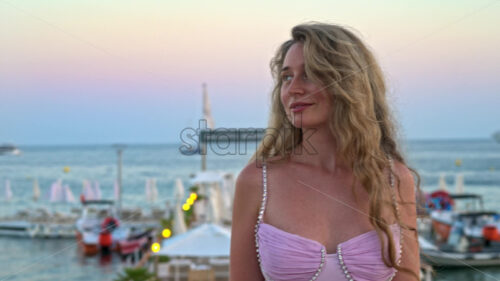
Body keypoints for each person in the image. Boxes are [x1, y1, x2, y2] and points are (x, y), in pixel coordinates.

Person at [230, 22, 420, 281]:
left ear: (349, 83)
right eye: (287, 77)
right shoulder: (257, 182)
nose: (293, 89)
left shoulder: (394, 179)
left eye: (309, 74)